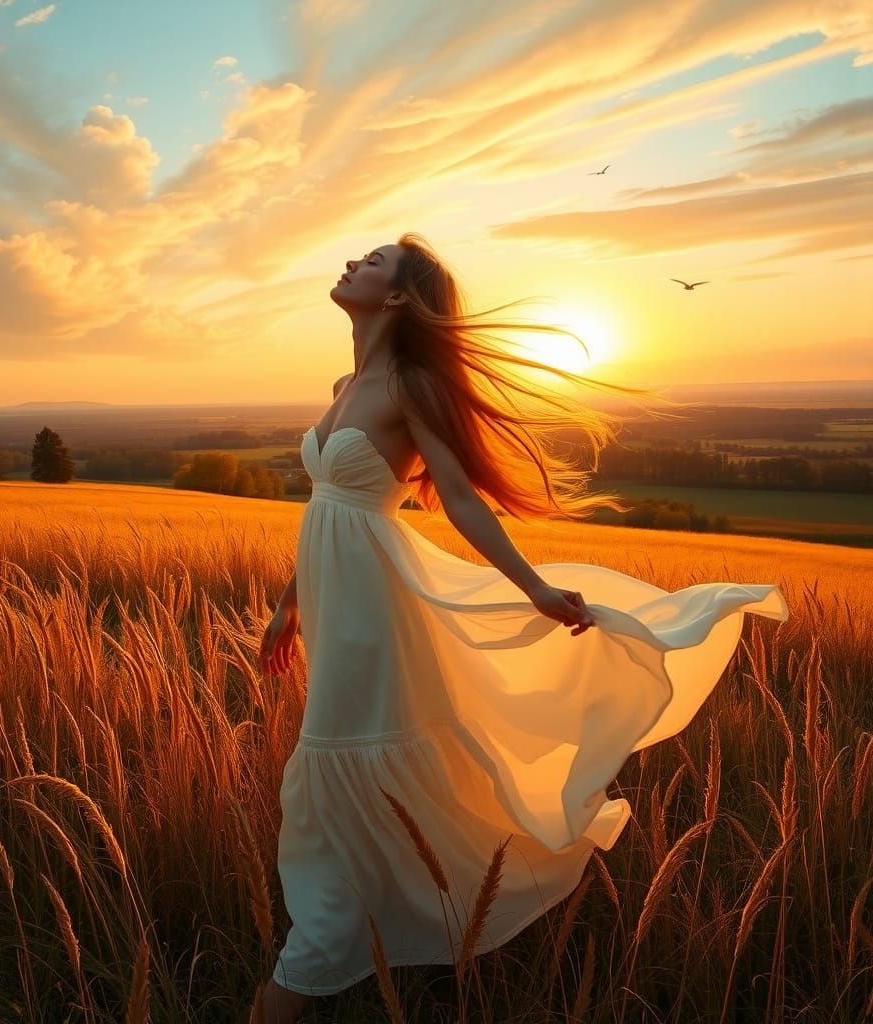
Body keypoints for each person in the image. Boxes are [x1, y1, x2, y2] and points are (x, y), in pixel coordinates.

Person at [253, 234, 789, 1023]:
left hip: (377, 616)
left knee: (350, 750)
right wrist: (288, 602)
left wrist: (533, 586)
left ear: (400, 296)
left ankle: (320, 947)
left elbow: (462, 501)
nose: (351, 263)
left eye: (372, 261)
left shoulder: (412, 385)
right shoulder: (343, 383)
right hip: (336, 607)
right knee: (339, 757)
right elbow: (325, 508)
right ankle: (353, 918)